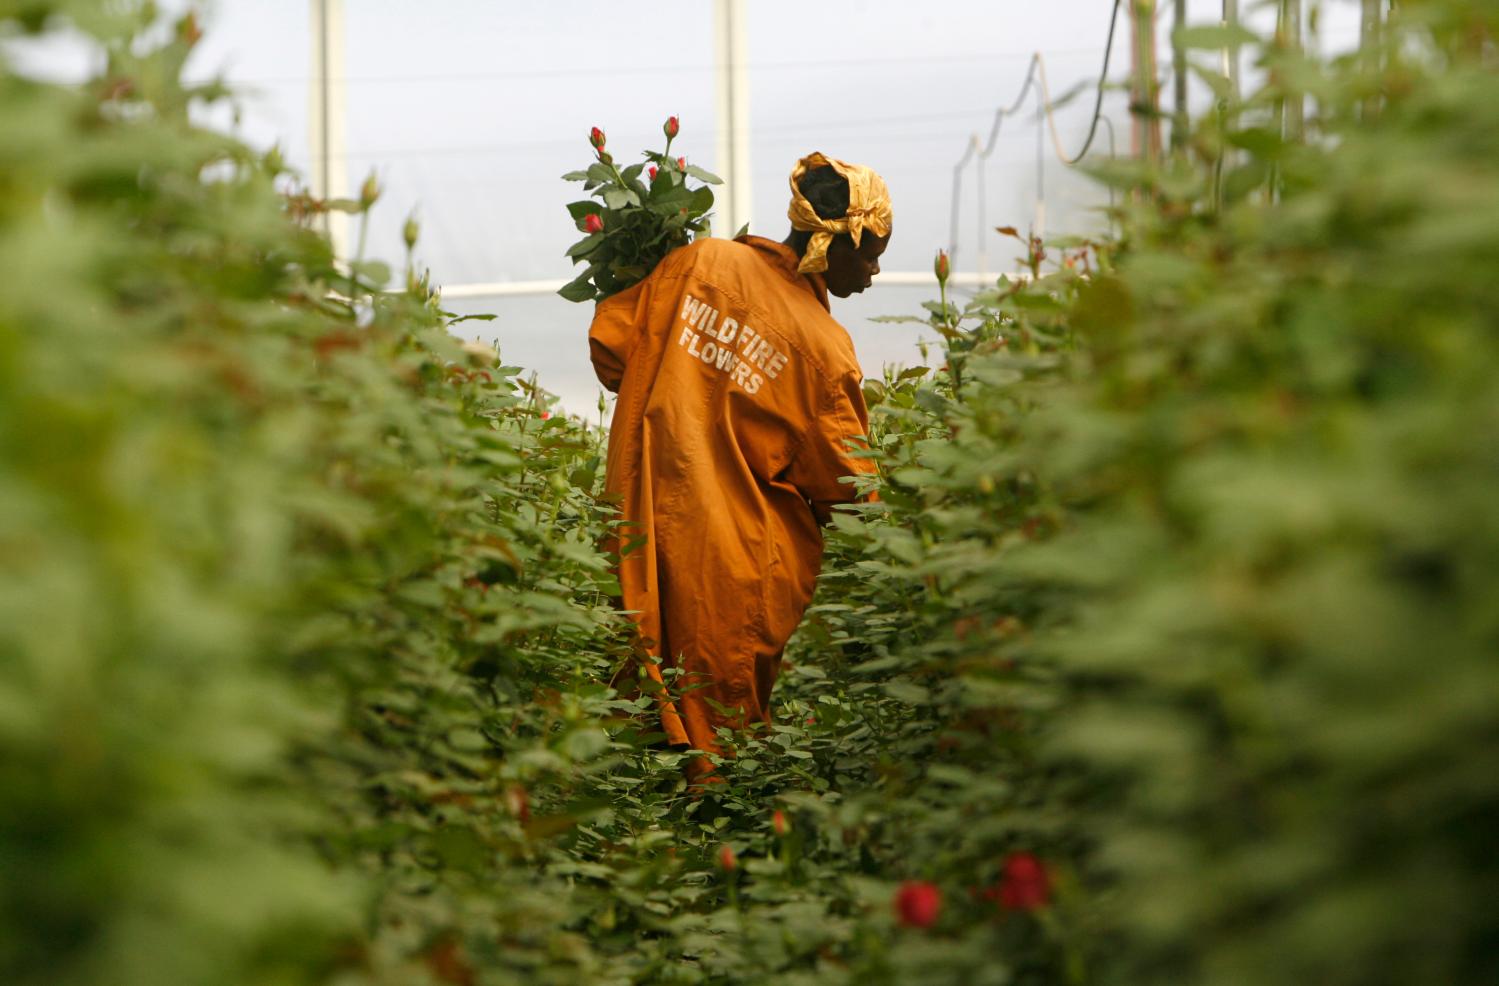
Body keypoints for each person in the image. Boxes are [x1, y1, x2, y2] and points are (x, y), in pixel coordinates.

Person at [588, 152, 892, 770]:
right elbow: (851, 488)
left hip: (642, 520)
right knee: (718, 727)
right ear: (837, 245)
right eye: (872, 252)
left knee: (627, 705)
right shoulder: (824, 350)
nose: (876, 270)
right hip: (731, 560)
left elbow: (611, 350)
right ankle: (715, 854)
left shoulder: (698, 261)